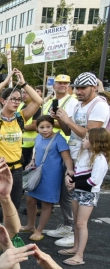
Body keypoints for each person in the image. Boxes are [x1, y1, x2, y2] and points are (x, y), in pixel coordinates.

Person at [52, 72, 110, 248]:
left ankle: (75, 234)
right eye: (76, 88)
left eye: (83, 88)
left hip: (88, 160)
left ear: (94, 88)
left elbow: (92, 135)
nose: (78, 91)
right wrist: (60, 119)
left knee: (76, 195)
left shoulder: (99, 105)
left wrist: (68, 121)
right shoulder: (79, 105)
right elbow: (69, 132)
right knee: (67, 193)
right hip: (74, 155)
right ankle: (69, 226)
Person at [0, 69, 43, 218]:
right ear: (3, 100)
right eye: (12, 98)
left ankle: (8, 236)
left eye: (18, 99)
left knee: (13, 205)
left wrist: (23, 84)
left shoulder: (21, 117)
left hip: (16, 168)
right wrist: (4, 81)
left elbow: (38, 101)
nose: (16, 102)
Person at [60, 128, 110, 265]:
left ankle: (79, 255)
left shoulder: (100, 159)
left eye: (87, 138)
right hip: (78, 190)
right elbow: (77, 171)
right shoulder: (85, 154)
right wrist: (70, 179)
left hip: (88, 194)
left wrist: (74, 184)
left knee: (82, 223)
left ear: (96, 142)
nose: (83, 140)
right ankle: (75, 247)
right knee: (76, 221)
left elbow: (93, 181)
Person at [21, 116, 73, 241]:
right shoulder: (38, 137)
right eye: (41, 127)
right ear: (37, 128)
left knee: (46, 203)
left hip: (52, 176)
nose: (45, 130)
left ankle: (39, 230)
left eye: (48, 127)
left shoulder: (58, 139)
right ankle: (30, 225)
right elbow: (36, 150)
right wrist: (32, 160)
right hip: (38, 174)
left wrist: (70, 171)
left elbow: (67, 158)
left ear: (53, 126)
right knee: (30, 200)